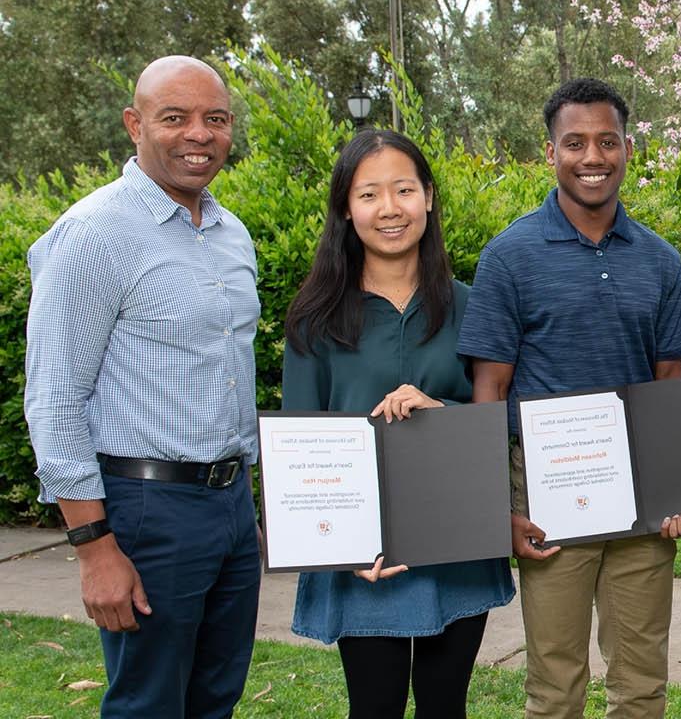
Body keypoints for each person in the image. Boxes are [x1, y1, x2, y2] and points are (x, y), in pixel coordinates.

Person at [458, 77, 681, 719]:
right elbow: (490, 387)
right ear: (550, 153)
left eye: (606, 142)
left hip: (641, 494)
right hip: (548, 495)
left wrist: (679, 487)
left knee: (641, 682)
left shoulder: (657, 259)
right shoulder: (509, 256)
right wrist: (495, 505)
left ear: (627, 148)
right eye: (575, 143)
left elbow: (670, 379)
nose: (592, 157)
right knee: (555, 685)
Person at [24, 56, 261, 717]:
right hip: (144, 510)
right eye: (175, 117)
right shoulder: (93, 234)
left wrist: (246, 508)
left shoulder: (231, 234)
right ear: (135, 125)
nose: (199, 134)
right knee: (149, 703)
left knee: (216, 697)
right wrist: (93, 547)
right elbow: (54, 397)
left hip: (230, 507)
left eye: (215, 119)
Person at [281, 130, 516, 718]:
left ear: (429, 197)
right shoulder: (315, 320)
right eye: (369, 194)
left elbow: (497, 422)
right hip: (366, 556)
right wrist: (341, 546)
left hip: (455, 541)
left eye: (404, 189)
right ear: (345, 209)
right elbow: (300, 445)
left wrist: (443, 414)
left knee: (446, 708)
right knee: (375, 707)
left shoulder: (471, 304)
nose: (389, 208)